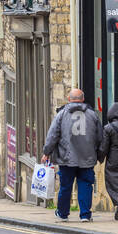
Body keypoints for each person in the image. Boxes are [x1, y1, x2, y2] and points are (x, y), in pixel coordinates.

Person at [41, 88, 102, 222]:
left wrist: (46, 152)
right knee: (86, 185)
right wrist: (99, 154)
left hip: (66, 158)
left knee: (65, 186)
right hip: (87, 157)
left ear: (69, 99)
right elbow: (99, 137)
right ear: (83, 99)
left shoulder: (62, 114)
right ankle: (85, 215)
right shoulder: (93, 115)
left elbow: (53, 135)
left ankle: (63, 214)